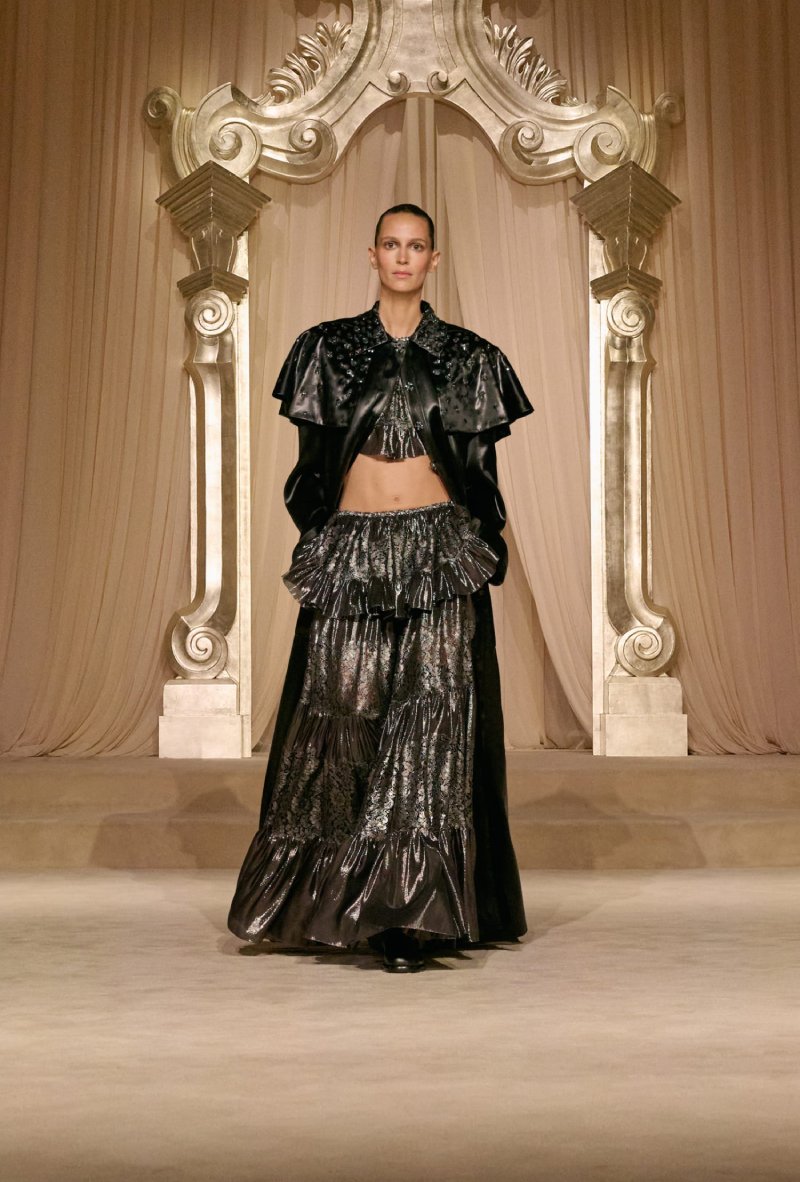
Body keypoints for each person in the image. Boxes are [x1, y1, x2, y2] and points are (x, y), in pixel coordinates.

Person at [227, 203, 533, 972]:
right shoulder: (326, 349)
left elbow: (480, 475)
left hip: (437, 549)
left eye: (415, 245)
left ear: (434, 258)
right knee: (344, 723)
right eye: (391, 245)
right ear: (372, 255)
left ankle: (407, 916)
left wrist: (482, 546)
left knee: (429, 729)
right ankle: (328, 899)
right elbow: (311, 470)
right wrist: (327, 540)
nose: (403, 257)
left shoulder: (470, 359)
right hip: (355, 549)